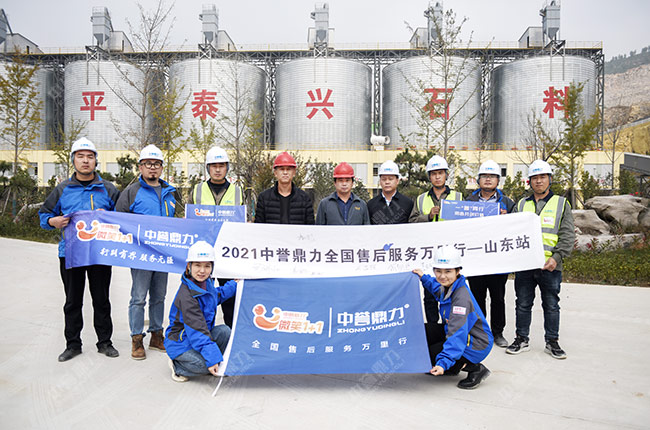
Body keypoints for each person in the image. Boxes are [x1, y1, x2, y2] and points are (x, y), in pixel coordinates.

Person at [39, 137, 120, 362]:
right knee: (73, 301)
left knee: (101, 299)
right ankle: (73, 344)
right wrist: (53, 221)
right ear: (73, 160)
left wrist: (111, 220)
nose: (85, 161)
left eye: (90, 157)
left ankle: (105, 342)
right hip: (71, 254)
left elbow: (123, 217)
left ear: (96, 161)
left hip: (99, 254)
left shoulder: (108, 189)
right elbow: (44, 215)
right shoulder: (63, 189)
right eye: (80, 156)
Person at [506, 160, 575, 359]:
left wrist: (557, 257)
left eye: (542, 177)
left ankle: (552, 342)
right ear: (529, 181)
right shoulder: (521, 204)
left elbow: (567, 234)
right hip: (525, 266)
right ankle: (521, 339)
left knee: (551, 305)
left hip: (550, 266)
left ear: (549, 179)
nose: (538, 181)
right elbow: (510, 232)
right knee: (523, 304)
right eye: (534, 178)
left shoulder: (561, 203)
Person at [116, 144, 176, 360]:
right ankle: (136, 338)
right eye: (148, 164)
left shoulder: (170, 192)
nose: (152, 167)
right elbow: (119, 220)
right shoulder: (131, 192)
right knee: (139, 297)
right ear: (140, 167)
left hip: (163, 254)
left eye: (156, 164)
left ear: (162, 168)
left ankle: (157, 336)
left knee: (159, 296)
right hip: (141, 255)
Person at [413, 246, 493, 389]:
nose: (442, 276)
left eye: (448, 271)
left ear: (457, 271)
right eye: (438, 271)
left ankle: (475, 368)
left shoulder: (461, 299)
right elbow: (437, 289)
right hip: (457, 332)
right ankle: (452, 366)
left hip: (475, 343)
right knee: (420, 333)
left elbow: (457, 334)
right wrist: (423, 277)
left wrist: (443, 363)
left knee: (429, 355)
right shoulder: (449, 286)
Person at [165, 241, 238, 382]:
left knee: (225, 331)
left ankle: (208, 359)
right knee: (205, 366)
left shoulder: (206, 282)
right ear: (189, 266)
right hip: (181, 343)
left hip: (199, 335)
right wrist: (212, 359)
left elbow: (215, 296)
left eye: (207, 266)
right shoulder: (187, 296)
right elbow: (197, 330)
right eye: (197, 265)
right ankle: (178, 366)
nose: (202, 271)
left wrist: (235, 284)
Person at [189, 146, 243, 328]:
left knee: (230, 300)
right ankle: (203, 336)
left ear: (227, 167)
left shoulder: (237, 192)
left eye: (221, 165)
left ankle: (230, 336)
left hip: (228, 254)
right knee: (203, 299)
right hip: (203, 256)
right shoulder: (197, 190)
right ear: (208, 168)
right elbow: (190, 222)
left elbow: (244, 222)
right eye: (214, 166)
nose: (218, 169)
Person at [465, 160, 515, 348]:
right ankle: (480, 332)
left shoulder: (507, 203)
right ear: (478, 180)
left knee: (498, 298)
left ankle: (498, 332)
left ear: (498, 180)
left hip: (498, 260)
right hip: (476, 259)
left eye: (492, 176)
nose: (488, 179)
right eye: (484, 176)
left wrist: (506, 219)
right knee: (477, 298)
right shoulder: (468, 202)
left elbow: (515, 228)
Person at [409, 155, 463, 324]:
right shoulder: (421, 199)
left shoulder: (458, 197)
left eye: (440, 173)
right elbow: (411, 222)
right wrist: (428, 216)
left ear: (446, 175)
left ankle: (450, 327)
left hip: (451, 253)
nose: (437, 177)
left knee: (453, 294)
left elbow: (468, 223)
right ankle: (433, 328)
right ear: (429, 177)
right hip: (429, 254)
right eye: (434, 174)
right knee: (430, 295)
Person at [255, 152, 314, 224]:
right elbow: (258, 226)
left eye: (288, 169)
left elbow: (311, 226)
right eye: (282, 169)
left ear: (294, 172)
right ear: (275, 173)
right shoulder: (264, 198)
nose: (285, 172)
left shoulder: (304, 198)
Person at [367, 160, 414, 225]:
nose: (387, 182)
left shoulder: (408, 203)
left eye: (390, 179)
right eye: (384, 179)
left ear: (397, 181)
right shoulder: (371, 204)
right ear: (380, 181)